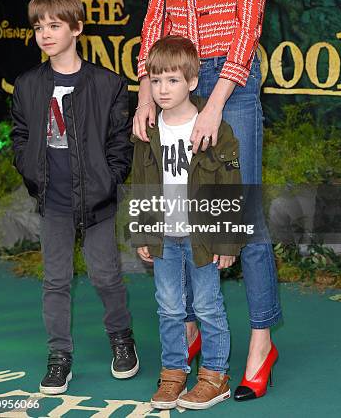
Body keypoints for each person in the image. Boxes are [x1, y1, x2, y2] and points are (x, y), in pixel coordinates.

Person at [133, 0, 281, 401]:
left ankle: (261, 341)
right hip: (171, 80)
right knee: (178, 206)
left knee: (241, 219)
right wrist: (147, 90)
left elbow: (247, 28)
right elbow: (155, 17)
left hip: (231, 85)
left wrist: (214, 103)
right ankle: (190, 329)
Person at [11, 0, 139, 395]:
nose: (45, 33)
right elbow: (21, 136)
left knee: (105, 276)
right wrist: (31, 172)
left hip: (98, 200)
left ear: (77, 28)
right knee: (56, 281)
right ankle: (59, 355)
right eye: (38, 27)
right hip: (54, 200)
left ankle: (122, 339)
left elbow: (121, 143)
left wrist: (110, 180)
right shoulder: (28, 84)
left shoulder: (108, 84)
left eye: (54, 24)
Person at [131, 35, 242, 410]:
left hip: (203, 239)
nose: (163, 89)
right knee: (168, 307)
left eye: (173, 80)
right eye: (156, 80)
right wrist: (143, 230)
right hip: (164, 236)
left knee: (209, 306)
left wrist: (227, 241)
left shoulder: (213, 127)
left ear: (192, 82)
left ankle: (214, 375)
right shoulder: (149, 128)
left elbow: (229, 185)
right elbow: (140, 181)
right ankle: (173, 373)